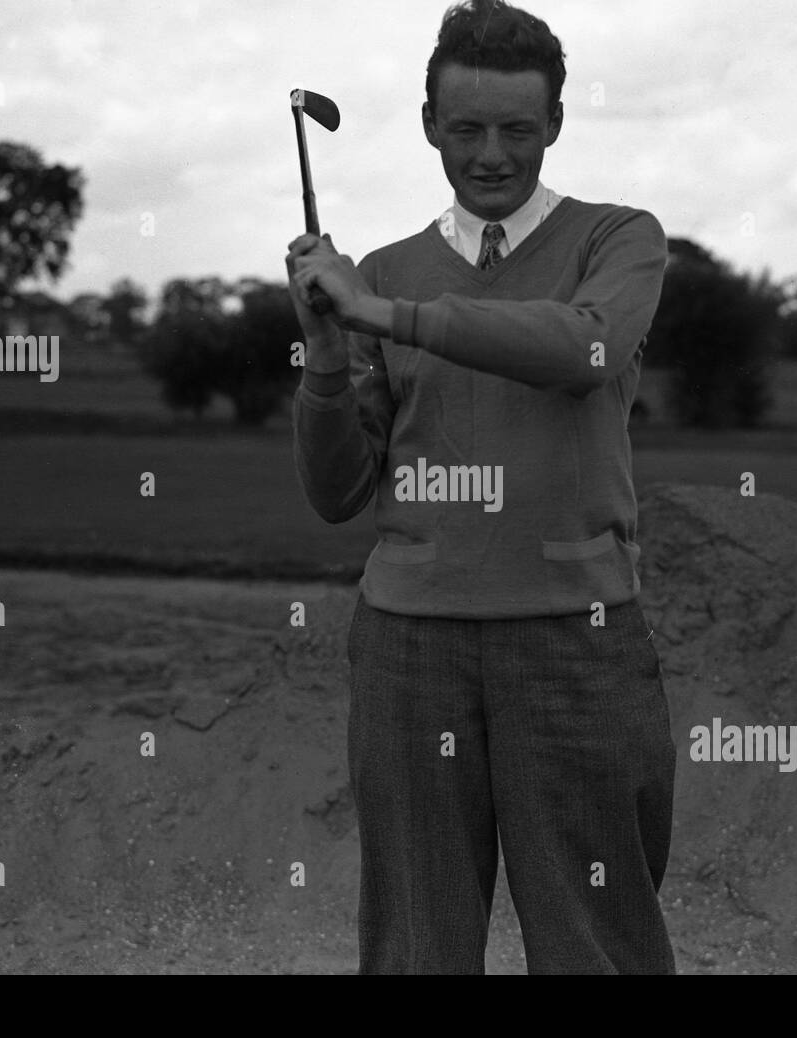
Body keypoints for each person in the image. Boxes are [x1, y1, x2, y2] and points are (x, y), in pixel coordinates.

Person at [286, 0, 676, 974]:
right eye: (466, 128)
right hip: (407, 647)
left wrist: (388, 312)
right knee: (415, 945)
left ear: (554, 122)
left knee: (599, 942)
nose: (491, 152)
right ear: (430, 126)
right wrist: (329, 354)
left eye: (516, 127)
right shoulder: (380, 272)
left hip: (575, 641)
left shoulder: (619, 239)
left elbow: (585, 346)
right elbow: (337, 494)